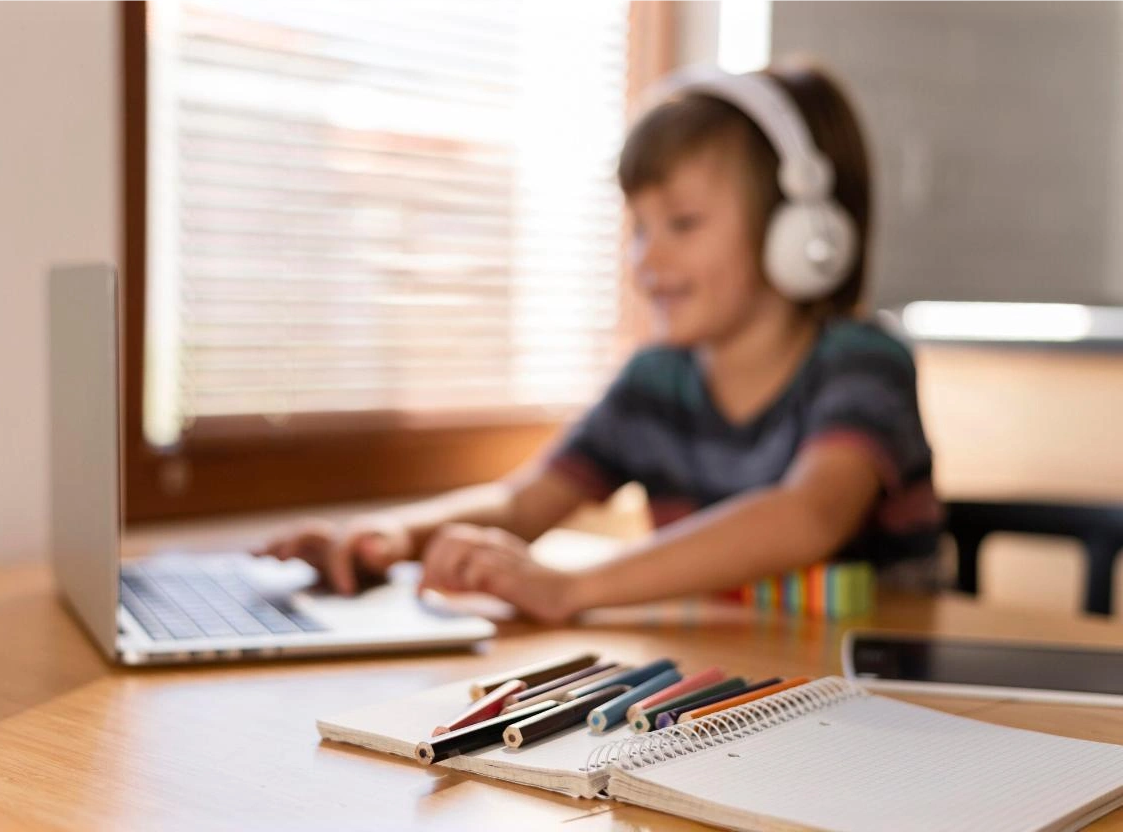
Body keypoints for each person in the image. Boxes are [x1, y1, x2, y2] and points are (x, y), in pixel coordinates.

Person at [257, 62, 942, 623]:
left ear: (798, 236)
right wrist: (391, 536)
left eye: (682, 222)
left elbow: (808, 514)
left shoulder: (862, 362)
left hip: (888, 692)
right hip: (733, 675)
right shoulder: (654, 383)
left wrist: (572, 588)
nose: (646, 259)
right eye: (639, 228)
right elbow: (522, 503)